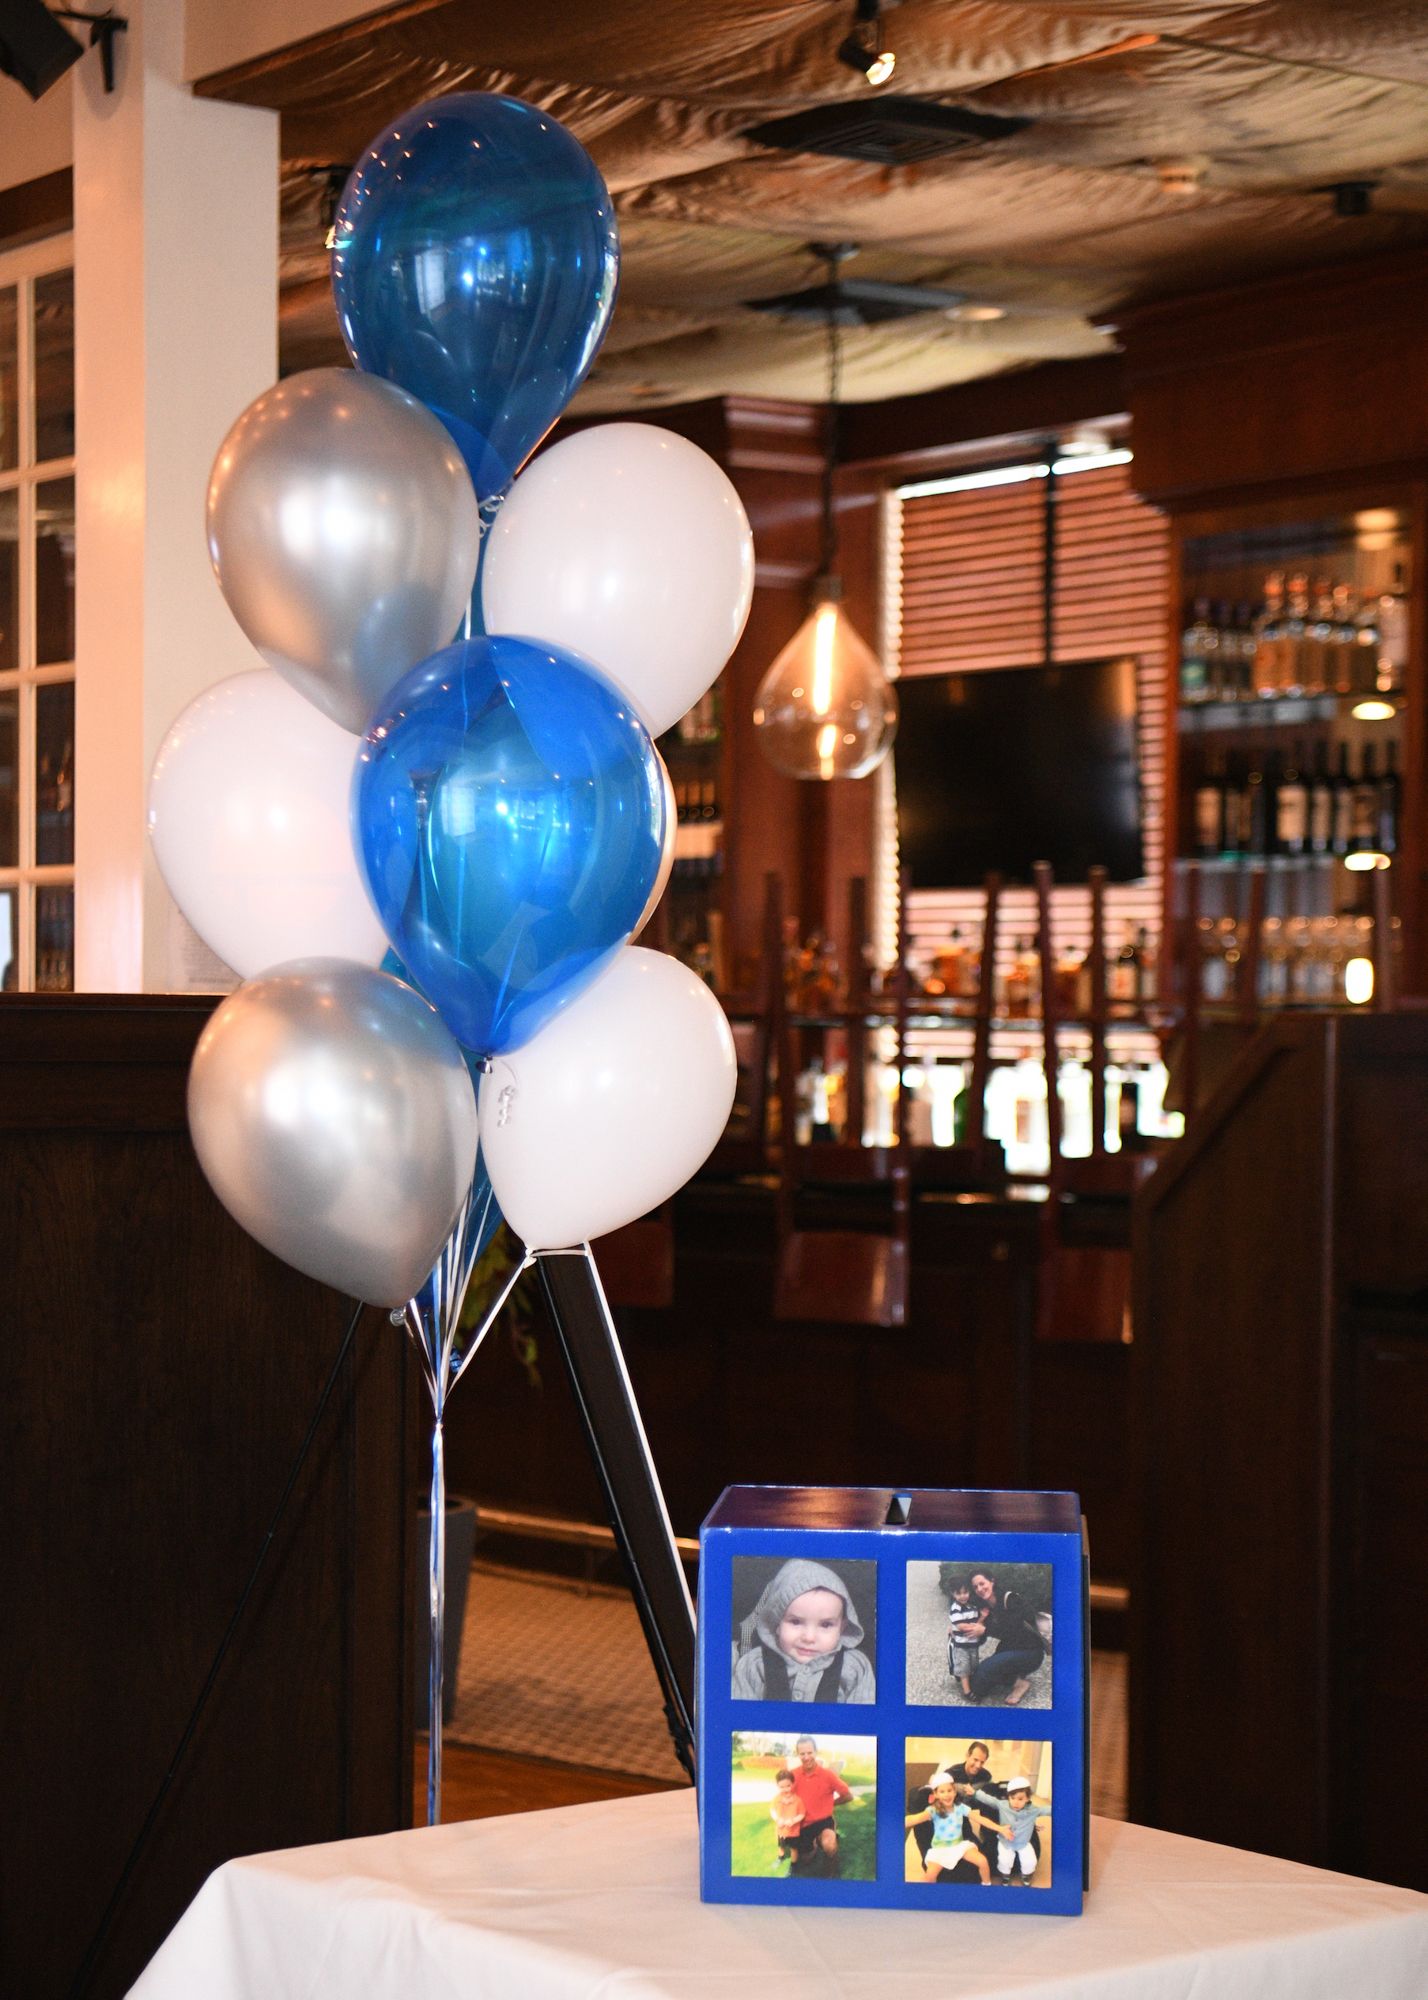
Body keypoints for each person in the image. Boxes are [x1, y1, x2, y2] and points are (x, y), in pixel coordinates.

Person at [730, 1558, 875, 1703]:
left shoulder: (854, 1668)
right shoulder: (754, 1665)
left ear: (841, 1628)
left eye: (825, 1625)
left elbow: (865, 1721)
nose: (809, 1638)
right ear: (776, 1623)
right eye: (796, 1622)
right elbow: (739, 1719)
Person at [962, 1570, 1046, 1706]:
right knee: (967, 1676)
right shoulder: (985, 1608)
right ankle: (1017, 1680)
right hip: (1009, 1649)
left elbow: (1016, 1630)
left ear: (992, 1581)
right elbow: (982, 1638)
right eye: (975, 1587)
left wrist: (985, 1630)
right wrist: (959, 1631)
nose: (980, 1589)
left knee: (978, 1687)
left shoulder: (1011, 1599)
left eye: (982, 1583)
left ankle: (1020, 1685)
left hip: (1031, 1652)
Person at [905, 1772, 992, 1885]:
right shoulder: (932, 1810)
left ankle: (987, 1886)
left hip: (959, 1845)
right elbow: (913, 1819)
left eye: (949, 1791)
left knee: (983, 1861)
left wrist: (1000, 1829)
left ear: (954, 1791)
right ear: (935, 1794)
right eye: (942, 1791)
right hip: (940, 1850)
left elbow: (980, 1819)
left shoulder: (960, 1808)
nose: (947, 1795)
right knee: (929, 1876)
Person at [786, 1735, 853, 1876]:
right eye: (802, 1753)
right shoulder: (793, 1775)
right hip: (803, 1824)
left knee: (829, 1845)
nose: (806, 1757)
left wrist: (831, 1804)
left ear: (816, 1752)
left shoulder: (828, 1775)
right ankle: (814, 1845)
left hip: (824, 1822)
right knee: (805, 1859)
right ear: (798, 1754)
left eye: (809, 1753)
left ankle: (832, 1873)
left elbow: (848, 1796)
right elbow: (786, 1797)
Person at [967, 1774, 1051, 1883]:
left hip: (1023, 1843)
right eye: (1012, 1798)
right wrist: (975, 1793)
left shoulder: (1033, 1811)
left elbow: (1047, 1810)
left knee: (1030, 1861)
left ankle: (1026, 1876)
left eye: (1020, 1799)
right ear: (1008, 1797)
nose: (1015, 1802)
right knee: (1005, 1860)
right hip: (1005, 1842)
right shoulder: (1003, 1805)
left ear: (1027, 1798)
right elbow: (989, 1800)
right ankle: (1005, 1876)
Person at [946, 1578, 982, 1696]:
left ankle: (967, 1680)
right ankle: (967, 1692)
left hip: (973, 1643)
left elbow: (978, 1622)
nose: (963, 1596)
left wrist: (982, 1619)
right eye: (958, 1593)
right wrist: (977, 1627)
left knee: (973, 1665)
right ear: (953, 1594)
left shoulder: (973, 1606)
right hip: (961, 1645)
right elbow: (962, 1626)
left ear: (969, 1592)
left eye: (965, 1592)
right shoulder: (955, 1609)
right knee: (964, 1667)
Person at [768, 1768, 805, 1874]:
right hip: (781, 1830)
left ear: (792, 1784)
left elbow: (802, 1814)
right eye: (781, 1787)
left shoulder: (798, 1800)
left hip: (793, 1831)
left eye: (788, 1786)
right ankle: (780, 1858)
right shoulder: (776, 1798)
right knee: (781, 1846)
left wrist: (793, 1821)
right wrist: (777, 1819)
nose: (785, 1789)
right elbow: (772, 1810)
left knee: (794, 1848)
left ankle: (794, 1866)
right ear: (777, 1786)